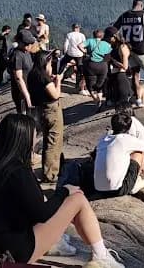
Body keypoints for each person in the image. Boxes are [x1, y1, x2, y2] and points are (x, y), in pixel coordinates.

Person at [0, 114, 124, 266]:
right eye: (34, 137)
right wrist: (64, 191)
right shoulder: (18, 171)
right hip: (13, 251)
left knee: (43, 200)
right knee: (78, 199)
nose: (35, 141)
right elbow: (41, 214)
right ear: (24, 140)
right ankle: (102, 256)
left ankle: (57, 240)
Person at [28, 51, 68, 183]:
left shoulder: (32, 74)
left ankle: (47, 169)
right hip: (51, 110)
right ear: (46, 62)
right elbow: (55, 94)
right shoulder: (43, 77)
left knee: (47, 139)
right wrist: (58, 82)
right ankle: (50, 174)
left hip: (40, 110)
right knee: (54, 141)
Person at [93, 112, 144, 198]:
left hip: (98, 188)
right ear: (128, 127)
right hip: (118, 190)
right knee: (138, 153)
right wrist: (143, 165)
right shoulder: (126, 139)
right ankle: (135, 183)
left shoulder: (104, 139)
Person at [10, 30, 39, 114]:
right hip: (21, 93)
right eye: (26, 43)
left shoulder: (27, 52)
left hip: (29, 88)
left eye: (30, 43)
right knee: (25, 116)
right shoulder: (17, 55)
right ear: (19, 42)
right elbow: (18, 78)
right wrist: (26, 95)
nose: (28, 45)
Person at [82, 29, 111, 109]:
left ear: (94, 34)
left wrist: (85, 53)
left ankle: (96, 100)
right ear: (102, 36)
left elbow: (79, 45)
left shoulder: (89, 41)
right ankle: (100, 100)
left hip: (91, 65)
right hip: (103, 65)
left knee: (90, 84)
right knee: (100, 84)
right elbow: (109, 54)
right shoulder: (106, 44)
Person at [106, 27, 132, 108]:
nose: (108, 40)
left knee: (122, 100)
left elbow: (125, 66)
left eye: (109, 38)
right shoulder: (114, 46)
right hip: (114, 74)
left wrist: (113, 61)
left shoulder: (122, 47)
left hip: (122, 75)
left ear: (114, 36)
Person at [63, 23, 88, 95]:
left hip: (70, 53)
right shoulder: (82, 35)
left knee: (63, 65)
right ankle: (78, 86)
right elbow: (84, 44)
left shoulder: (69, 34)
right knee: (80, 70)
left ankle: (60, 78)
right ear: (79, 28)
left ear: (72, 28)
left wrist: (65, 53)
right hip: (79, 54)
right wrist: (84, 52)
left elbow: (66, 45)